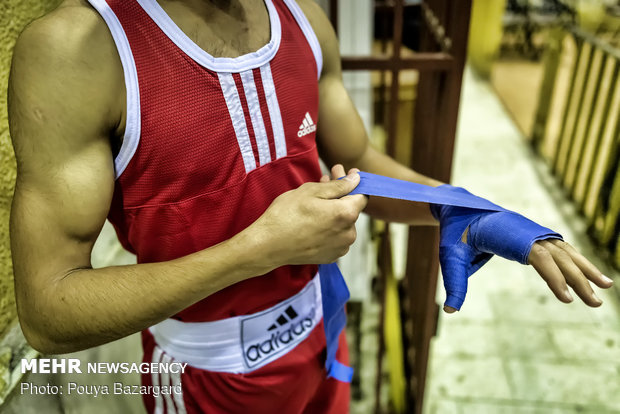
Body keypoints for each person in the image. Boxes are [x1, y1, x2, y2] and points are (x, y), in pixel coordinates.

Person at [8, 0, 613, 412]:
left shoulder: (301, 19)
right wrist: (256, 251)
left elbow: (359, 163)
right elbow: (47, 309)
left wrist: (457, 207)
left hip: (325, 339)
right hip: (204, 378)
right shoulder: (78, 51)